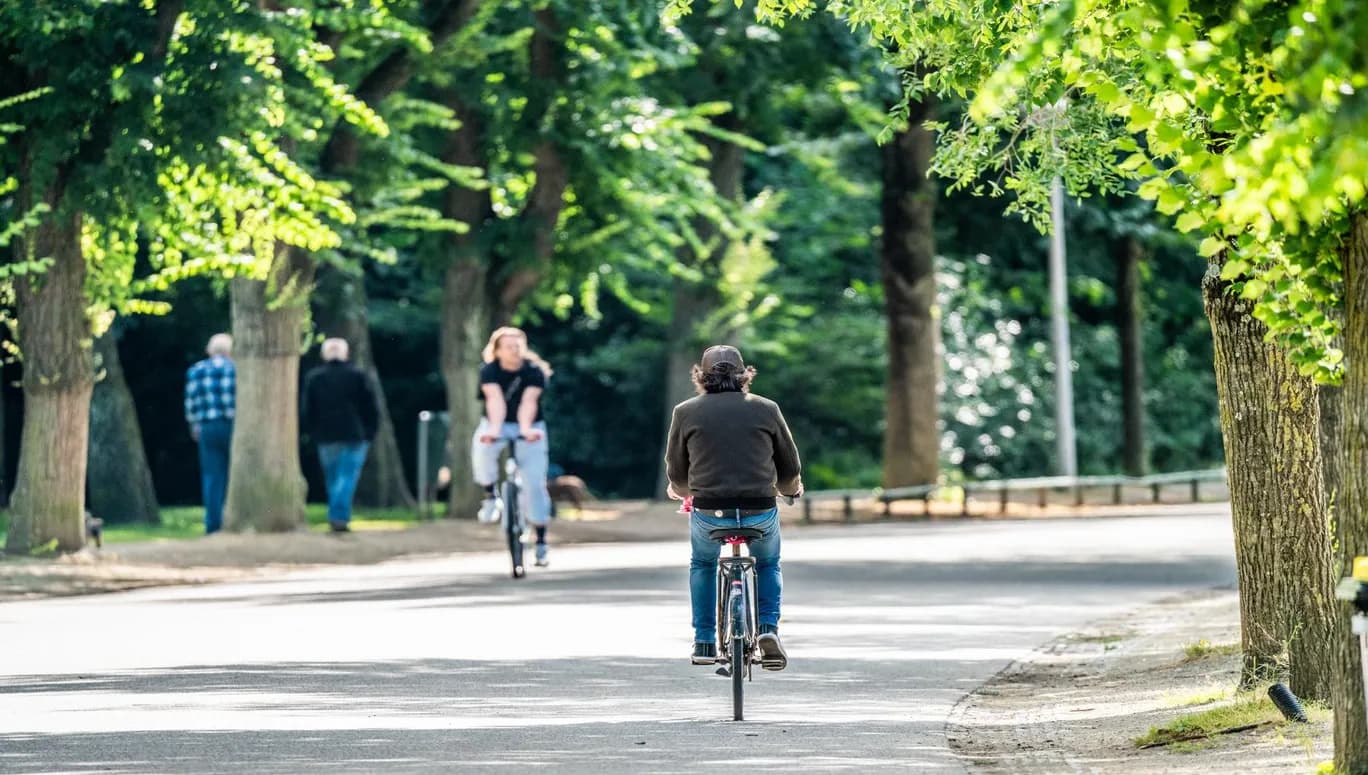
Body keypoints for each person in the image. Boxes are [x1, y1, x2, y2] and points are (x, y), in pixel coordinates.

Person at [665, 344, 803, 671]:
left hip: (710, 510)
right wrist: (791, 490)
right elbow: (789, 465)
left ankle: (704, 640)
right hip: (759, 507)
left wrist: (681, 490)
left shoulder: (685, 411)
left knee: (702, 563)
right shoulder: (767, 409)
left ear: (701, 376)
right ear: (744, 375)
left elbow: (676, 470)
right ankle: (768, 628)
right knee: (768, 563)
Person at [471, 326, 554, 567]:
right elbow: (494, 399)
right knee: (482, 447)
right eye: (508, 346)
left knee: (535, 484)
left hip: (530, 425)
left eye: (518, 346)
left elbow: (529, 402)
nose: (514, 350)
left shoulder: (534, 371)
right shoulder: (489, 371)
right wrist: (494, 431)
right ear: (497, 350)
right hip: (498, 422)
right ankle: (490, 496)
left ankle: (540, 541)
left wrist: (526, 429)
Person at [301, 338, 380, 533]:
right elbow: (371, 407)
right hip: (354, 434)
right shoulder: (358, 376)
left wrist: (311, 431)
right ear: (346, 353)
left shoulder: (315, 377)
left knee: (333, 478)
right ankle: (339, 517)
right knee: (347, 477)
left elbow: (307, 410)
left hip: (325, 435)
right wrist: (370, 432)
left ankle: (336, 515)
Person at [184, 333, 236, 535]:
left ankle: (213, 525)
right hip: (233, 426)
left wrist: (194, 425)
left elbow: (191, 404)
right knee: (235, 474)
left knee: (213, 476)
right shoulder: (236, 369)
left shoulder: (196, 370)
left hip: (207, 427)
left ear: (209, 350)